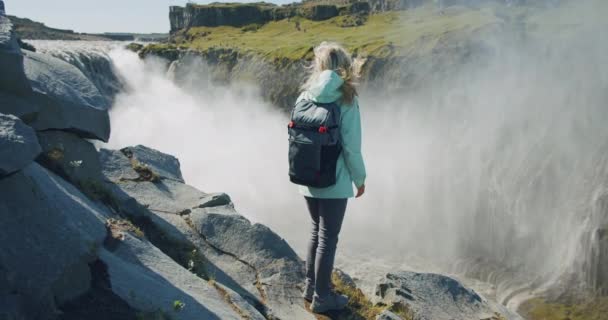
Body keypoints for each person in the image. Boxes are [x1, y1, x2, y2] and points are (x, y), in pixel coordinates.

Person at [297, 41, 367, 313]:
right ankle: (323, 297)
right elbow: (351, 146)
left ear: (320, 65)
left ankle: (311, 287)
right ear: (345, 67)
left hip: (307, 175)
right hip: (334, 180)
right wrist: (360, 179)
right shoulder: (347, 98)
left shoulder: (304, 95)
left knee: (316, 231)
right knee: (328, 237)